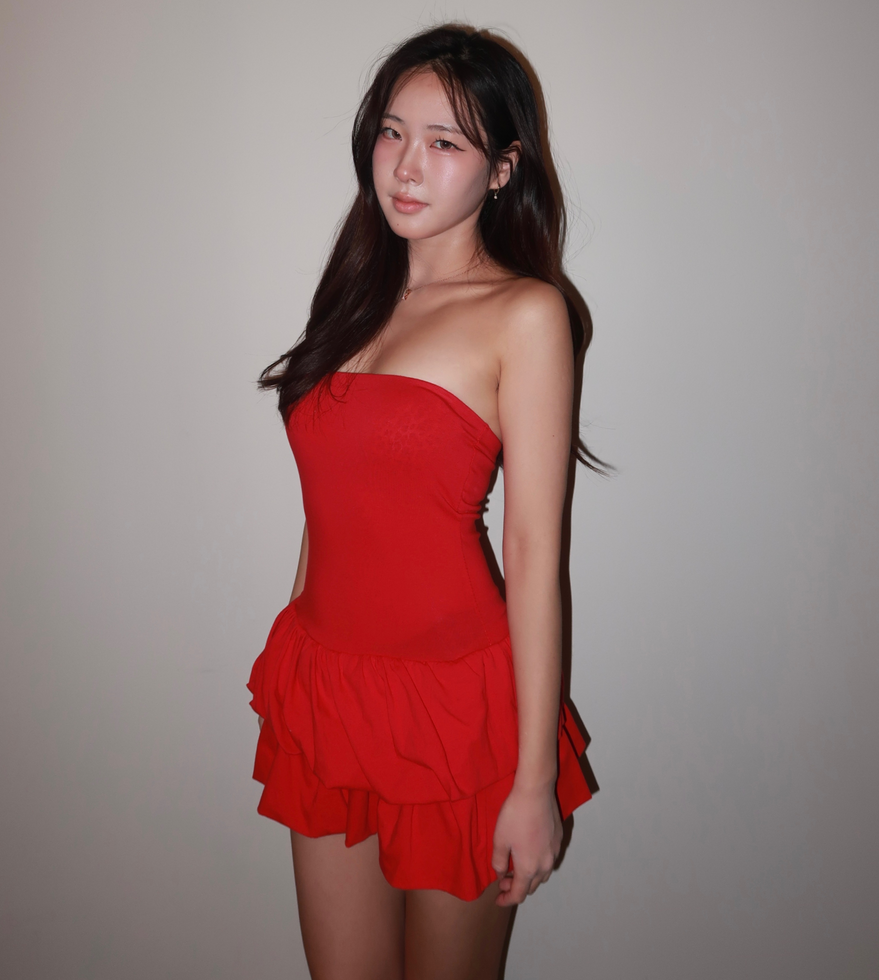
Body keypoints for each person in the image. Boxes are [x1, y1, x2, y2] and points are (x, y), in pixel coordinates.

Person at [247, 24, 600, 980]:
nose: (406, 166)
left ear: (501, 169)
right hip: (327, 691)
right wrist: (298, 671)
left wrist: (532, 782)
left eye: (445, 141)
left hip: (455, 717)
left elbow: (534, 556)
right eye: (392, 133)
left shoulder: (525, 314)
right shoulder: (354, 296)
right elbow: (330, 504)